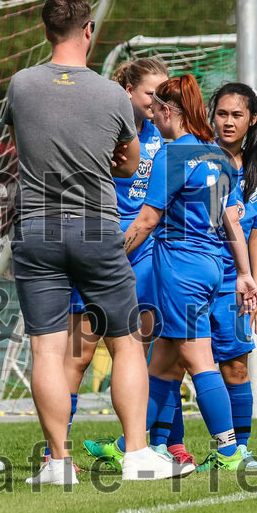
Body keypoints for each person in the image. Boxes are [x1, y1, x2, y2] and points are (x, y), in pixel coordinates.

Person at [3, 0, 187, 484]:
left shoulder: (20, 84)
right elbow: (127, 162)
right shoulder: (111, 93)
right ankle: (138, 454)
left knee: (46, 349)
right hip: (95, 227)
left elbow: (22, 141)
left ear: (45, 31)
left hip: (36, 227)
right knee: (125, 343)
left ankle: (58, 462)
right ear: (89, 32)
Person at [121, 74, 257, 472]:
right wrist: (245, 272)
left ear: (168, 112)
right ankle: (127, 444)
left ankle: (230, 449)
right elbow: (232, 222)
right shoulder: (218, 156)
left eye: (155, 112)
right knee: (162, 364)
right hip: (213, 267)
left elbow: (147, 220)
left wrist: (112, 258)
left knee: (200, 360)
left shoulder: (173, 154)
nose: (154, 120)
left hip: (179, 268)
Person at [53, 57, 167, 466]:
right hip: (99, 247)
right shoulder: (100, 130)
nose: (160, 101)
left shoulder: (161, 137)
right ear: (128, 92)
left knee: (140, 350)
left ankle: (140, 446)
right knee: (79, 354)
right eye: (152, 93)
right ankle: (58, 452)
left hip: (146, 255)